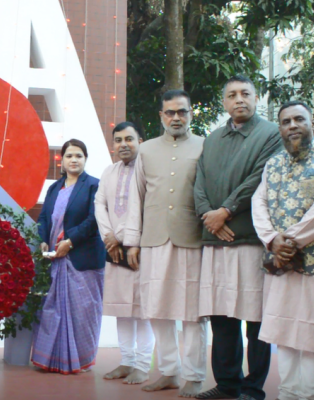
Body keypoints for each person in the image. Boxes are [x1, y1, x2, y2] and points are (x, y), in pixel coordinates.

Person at [193, 75, 281, 400]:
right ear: (224, 102)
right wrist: (209, 216)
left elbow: (259, 177)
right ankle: (227, 383)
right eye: (232, 95)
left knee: (255, 319)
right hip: (216, 241)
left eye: (245, 93)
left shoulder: (271, 133)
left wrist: (225, 211)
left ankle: (253, 388)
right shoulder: (213, 138)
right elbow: (199, 180)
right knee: (221, 316)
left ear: (256, 98)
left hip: (250, 241)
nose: (239, 99)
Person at [252, 100, 314, 400]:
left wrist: (288, 241)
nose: (292, 125)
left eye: (298, 119)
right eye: (285, 121)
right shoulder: (274, 163)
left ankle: (308, 395)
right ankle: (287, 393)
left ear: (313, 124)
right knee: (284, 332)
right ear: (280, 128)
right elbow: (259, 202)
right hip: (279, 263)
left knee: (312, 335)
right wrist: (271, 240)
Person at [124, 90, 207, 397]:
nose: (176, 117)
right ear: (161, 116)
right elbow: (137, 197)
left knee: (192, 313)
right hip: (154, 239)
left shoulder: (204, 146)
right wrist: (132, 242)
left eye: (182, 112)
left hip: (191, 239)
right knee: (157, 310)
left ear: (190, 114)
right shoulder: (145, 150)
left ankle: (195, 376)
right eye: (170, 112)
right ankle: (169, 372)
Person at [31, 139, 105, 374]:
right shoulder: (54, 188)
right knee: (54, 310)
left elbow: (94, 221)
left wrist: (70, 241)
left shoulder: (94, 185)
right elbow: (43, 218)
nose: (74, 160)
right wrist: (43, 239)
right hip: (56, 258)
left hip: (83, 260)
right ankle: (54, 360)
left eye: (79, 156)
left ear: (85, 159)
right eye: (69, 156)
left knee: (83, 313)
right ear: (61, 161)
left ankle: (80, 360)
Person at [95, 121, 154, 385]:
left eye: (129, 139)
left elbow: (145, 208)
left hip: (140, 248)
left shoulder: (148, 171)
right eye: (118, 140)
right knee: (121, 308)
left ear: (140, 140)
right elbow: (100, 205)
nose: (123, 145)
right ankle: (127, 361)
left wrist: (128, 240)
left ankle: (142, 365)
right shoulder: (109, 172)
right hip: (114, 249)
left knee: (142, 310)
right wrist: (109, 237)